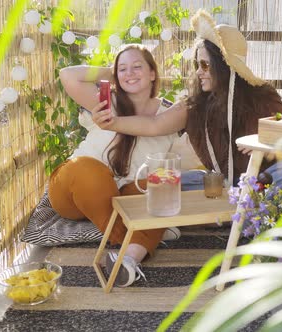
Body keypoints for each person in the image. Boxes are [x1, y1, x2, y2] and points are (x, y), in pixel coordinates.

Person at [92, 10, 282, 198]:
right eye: (197, 64)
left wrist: (263, 143)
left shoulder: (263, 97)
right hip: (218, 184)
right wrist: (111, 122)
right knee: (162, 181)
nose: (198, 72)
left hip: (261, 183)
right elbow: (154, 125)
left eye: (205, 65)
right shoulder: (194, 105)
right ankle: (234, 211)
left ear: (224, 66)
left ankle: (248, 215)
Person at [40, 44, 178, 287]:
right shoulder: (105, 100)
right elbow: (68, 75)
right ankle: (142, 233)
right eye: (123, 69)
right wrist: (111, 71)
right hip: (74, 192)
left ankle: (127, 260)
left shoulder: (172, 109)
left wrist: (112, 122)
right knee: (87, 168)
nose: (130, 73)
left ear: (153, 73)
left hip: (125, 193)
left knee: (164, 182)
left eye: (137, 67)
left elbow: (155, 127)